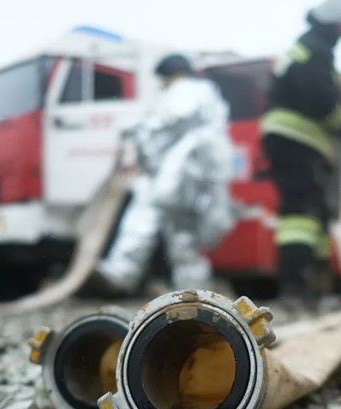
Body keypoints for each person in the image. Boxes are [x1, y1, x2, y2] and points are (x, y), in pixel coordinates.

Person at [93, 53, 236, 294]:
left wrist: (138, 127)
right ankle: (192, 289)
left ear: (171, 74)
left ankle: (122, 272)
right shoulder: (208, 94)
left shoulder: (186, 90)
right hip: (195, 176)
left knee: (146, 218)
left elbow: (173, 118)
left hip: (179, 174)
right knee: (182, 235)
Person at [260, 0, 341, 308]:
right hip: (297, 140)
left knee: (313, 215)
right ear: (338, 26)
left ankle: (315, 287)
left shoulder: (305, 46)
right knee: (300, 214)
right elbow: (320, 100)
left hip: (293, 140)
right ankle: (294, 289)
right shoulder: (316, 49)